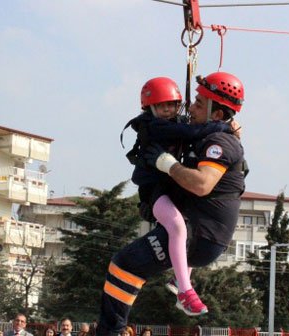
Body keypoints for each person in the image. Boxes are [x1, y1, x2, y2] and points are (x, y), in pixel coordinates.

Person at [97, 71, 247, 336]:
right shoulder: (205, 136)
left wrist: (168, 165)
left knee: (124, 265)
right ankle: (178, 282)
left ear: (217, 115)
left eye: (199, 103)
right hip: (199, 232)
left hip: (199, 235)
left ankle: (116, 329)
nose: (191, 107)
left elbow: (202, 183)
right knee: (127, 266)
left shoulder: (219, 142)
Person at [125, 77, 235, 315]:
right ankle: (185, 292)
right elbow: (191, 131)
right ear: (150, 108)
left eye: (172, 105)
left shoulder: (175, 121)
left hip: (170, 189)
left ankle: (179, 279)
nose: (168, 111)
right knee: (177, 227)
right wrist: (224, 126)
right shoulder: (157, 126)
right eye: (162, 106)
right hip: (155, 193)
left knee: (193, 221)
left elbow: (193, 131)